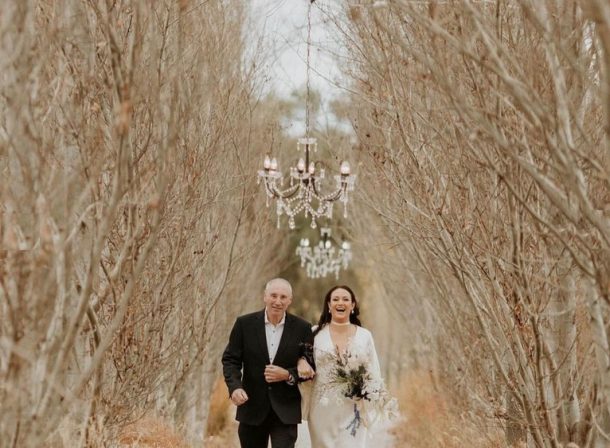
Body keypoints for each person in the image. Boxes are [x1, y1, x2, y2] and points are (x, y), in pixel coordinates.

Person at [222, 278, 315, 448]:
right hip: (251, 408)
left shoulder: (303, 328)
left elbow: (310, 367)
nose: (278, 301)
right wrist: (235, 387)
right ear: (265, 296)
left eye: (283, 297)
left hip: (286, 410)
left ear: (290, 300)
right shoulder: (244, 324)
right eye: (273, 295)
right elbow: (230, 359)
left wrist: (288, 375)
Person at [306, 285, 389, 448]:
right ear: (329, 306)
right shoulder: (315, 333)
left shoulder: (364, 335)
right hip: (322, 408)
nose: (340, 302)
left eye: (345, 299)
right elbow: (303, 363)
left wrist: (369, 394)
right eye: (335, 299)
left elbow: (374, 371)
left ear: (352, 306)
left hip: (354, 408)